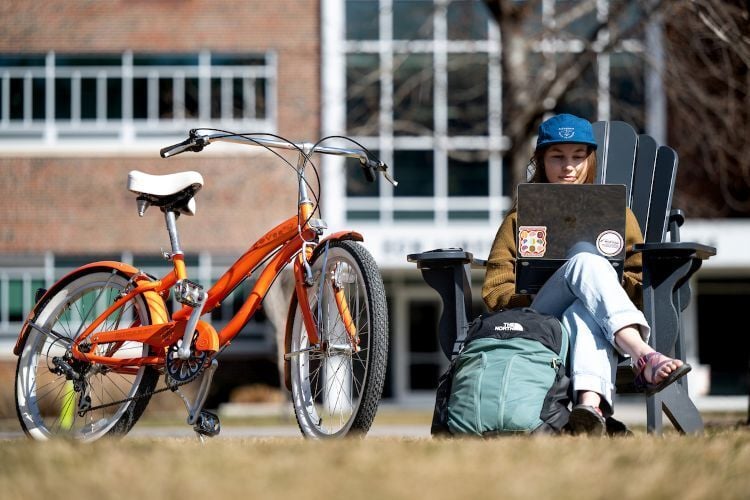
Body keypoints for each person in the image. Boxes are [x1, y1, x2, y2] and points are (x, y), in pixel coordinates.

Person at [482, 113, 691, 436]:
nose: (569, 166)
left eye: (578, 157)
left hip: (596, 320)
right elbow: (495, 290)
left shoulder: (617, 215)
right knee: (586, 260)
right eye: (557, 157)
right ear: (541, 161)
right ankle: (643, 355)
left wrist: (598, 288)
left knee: (584, 309)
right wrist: (534, 295)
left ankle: (590, 406)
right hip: (538, 318)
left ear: (590, 160)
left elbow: (636, 278)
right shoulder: (520, 217)